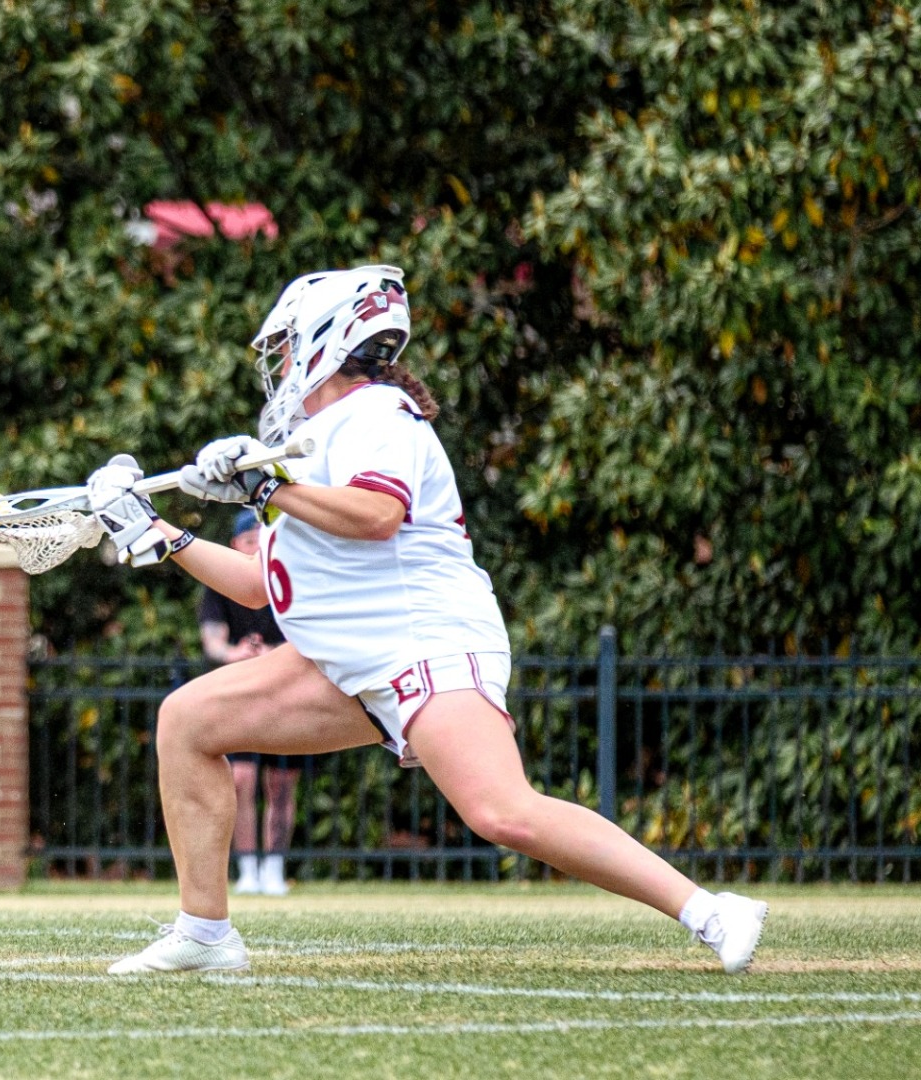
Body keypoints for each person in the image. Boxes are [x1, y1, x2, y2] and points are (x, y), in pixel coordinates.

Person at [87, 264, 768, 975]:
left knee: (501, 811)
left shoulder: (378, 414)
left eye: (288, 349)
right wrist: (160, 533)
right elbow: (263, 587)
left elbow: (379, 514)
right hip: (353, 659)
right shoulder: (317, 441)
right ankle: (205, 933)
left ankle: (710, 910)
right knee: (188, 721)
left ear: (328, 340)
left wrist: (266, 487)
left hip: (424, 644)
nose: (282, 367)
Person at [197, 508, 298, 897]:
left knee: (281, 783)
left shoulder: (286, 579)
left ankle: (274, 868)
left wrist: (274, 654)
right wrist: (235, 653)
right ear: (235, 545)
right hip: (241, 692)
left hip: (283, 693)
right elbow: (213, 642)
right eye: (249, 541)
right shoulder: (219, 586)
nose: (256, 547)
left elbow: (304, 637)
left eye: (262, 540)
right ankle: (247, 869)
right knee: (240, 780)